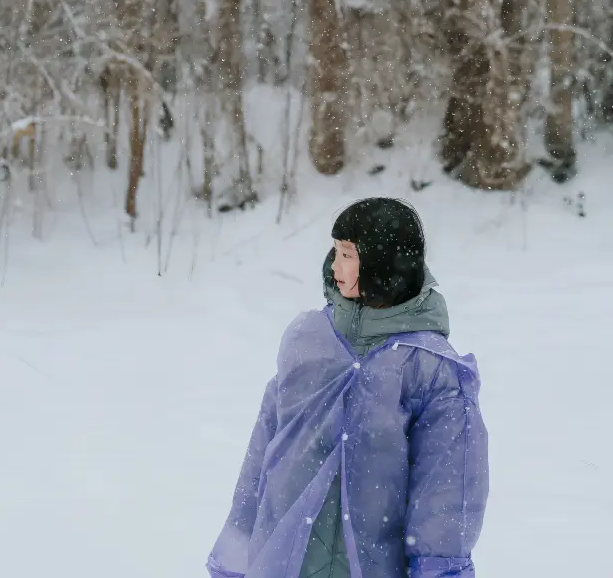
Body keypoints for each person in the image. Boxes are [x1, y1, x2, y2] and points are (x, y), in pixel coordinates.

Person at [207, 198, 489, 578]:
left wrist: (441, 570)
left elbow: (446, 494)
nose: (335, 265)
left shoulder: (429, 368)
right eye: (335, 252)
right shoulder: (308, 340)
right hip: (284, 563)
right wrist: (237, 553)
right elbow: (264, 456)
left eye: (347, 254)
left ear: (382, 263)